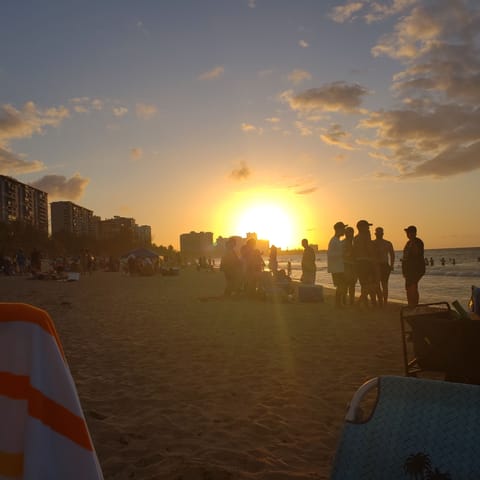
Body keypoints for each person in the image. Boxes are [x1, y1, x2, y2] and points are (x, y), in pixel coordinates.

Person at [353, 220, 376, 308]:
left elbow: (355, 252)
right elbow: (369, 249)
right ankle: (361, 302)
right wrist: (374, 261)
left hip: (359, 263)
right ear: (362, 228)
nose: (368, 228)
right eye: (367, 226)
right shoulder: (365, 236)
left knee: (364, 284)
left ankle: (365, 303)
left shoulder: (355, 238)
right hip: (366, 262)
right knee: (370, 283)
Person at [402, 225, 425, 307]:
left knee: (413, 287)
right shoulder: (408, 243)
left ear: (414, 233)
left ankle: (414, 305)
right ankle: (411, 304)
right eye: (407, 233)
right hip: (409, 269)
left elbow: (416, 253)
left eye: (409, 232)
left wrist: (412, 241)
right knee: (409, 287)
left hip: (416, 269)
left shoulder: (418, 242)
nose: (407, 234)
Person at [372, 227, 395, 306]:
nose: (379, 234)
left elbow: (392, 254)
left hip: (384, 265)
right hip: (376, 265)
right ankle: (381, 301)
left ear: (382, 234)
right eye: (377, 233)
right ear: (375, 234)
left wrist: (392, 265)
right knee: (377, 285)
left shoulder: (387, 243)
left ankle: (384, 302)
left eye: (380, 233)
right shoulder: (372, 243)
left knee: (384, 284)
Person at [327, 222, 347, 308]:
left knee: (341, 286)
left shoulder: (337, 240)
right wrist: (342, 254)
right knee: (340, 285)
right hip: (336, 268)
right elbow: (330, 255)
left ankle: (339, 303)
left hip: (339, 267)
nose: (344, 230)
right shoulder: (334, 240)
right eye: (343, 228)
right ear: (338, 229)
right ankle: (338, 304)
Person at [343, 226, 357, 306]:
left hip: (353, 266)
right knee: (346, 284)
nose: (350, 234)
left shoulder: (354, 242)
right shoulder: (344, 243)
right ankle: (344, 301)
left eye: (351, 232)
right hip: (346, 265)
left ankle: (351, 301)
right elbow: (344, 255)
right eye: (348, 232)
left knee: (352, 284)